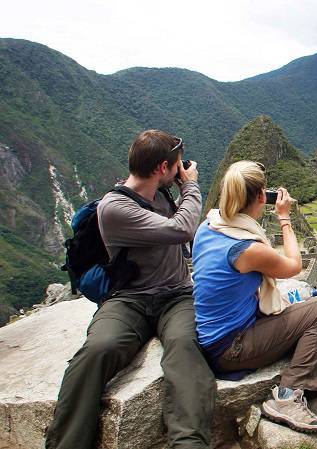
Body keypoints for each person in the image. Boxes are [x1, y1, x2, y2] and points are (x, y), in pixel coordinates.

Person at [45, 130, 215, 448]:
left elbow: (178, 226)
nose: (182, 169)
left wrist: (179, 190)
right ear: (162, 167)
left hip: (176, 295)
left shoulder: (161, 193)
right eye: (177, 165)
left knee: (185, 347)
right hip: (128, 300)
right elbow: (182, 229)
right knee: (98, 349)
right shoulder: (115, 208)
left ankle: (189, 443)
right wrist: (191, 186)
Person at [192, 160, 317, 433]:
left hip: (217, 336)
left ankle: (313, 396)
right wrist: (284, 218)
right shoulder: (245, 248)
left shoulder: (209, 226)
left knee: (304, 299)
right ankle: (287, 396)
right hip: (231, 348)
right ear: (261, 197)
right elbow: (294, 265)